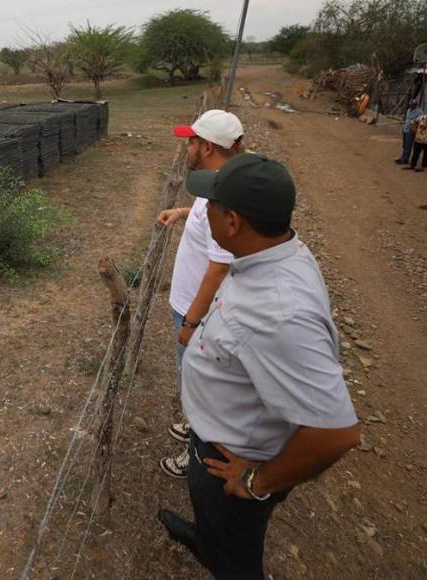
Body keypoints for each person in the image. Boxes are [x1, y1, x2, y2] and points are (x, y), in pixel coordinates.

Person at [157, 153, 361, 579]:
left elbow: (336, 433)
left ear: (232, 221)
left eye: (211, 207)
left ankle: (221, 554)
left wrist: (257, 482)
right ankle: (206, 540)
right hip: (219, 436)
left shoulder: (279, 314)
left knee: (237, 556)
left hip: (231, 458)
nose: (204, 213)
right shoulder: (276, 252)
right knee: (216, 526)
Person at [156, 110, 242, 479]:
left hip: (200, 315)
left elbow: (218, 267)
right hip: (194, 309)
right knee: (195, 385)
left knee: (199, 390)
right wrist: (183, 212)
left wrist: (191, 321)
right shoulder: (219, 185)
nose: (186, 147)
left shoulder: (224, 198)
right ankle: (195, 430)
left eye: (191, 141)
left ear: (207, 147)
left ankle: (195, 457)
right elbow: (206, 217)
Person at [395, 98, 424, 164]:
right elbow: (407, 119)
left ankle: (405, 159)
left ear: (416, 105)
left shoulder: (420, 112)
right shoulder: (408, 110)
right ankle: (402, 157)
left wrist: (415, 129)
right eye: (411, 105)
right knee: (404, 145)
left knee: (408, 146)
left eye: (413, 105)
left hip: (411, 131)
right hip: (405, 129)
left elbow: (420, 123)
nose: (411, 106)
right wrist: (403, 128)